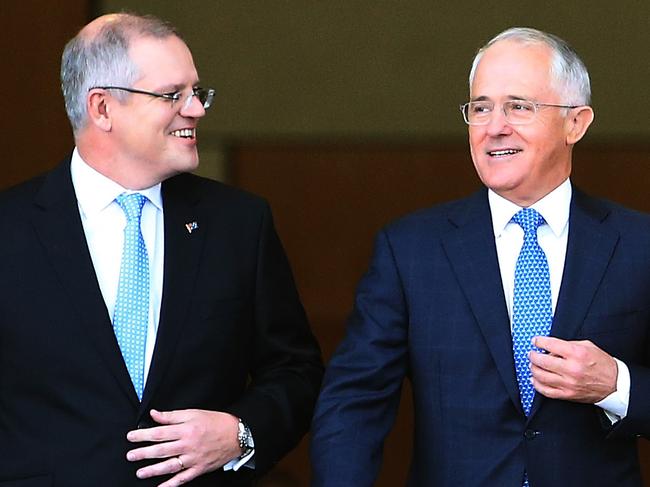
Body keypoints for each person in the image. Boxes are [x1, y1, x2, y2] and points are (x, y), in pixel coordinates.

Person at [310, 27, 650, 486]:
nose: (494, 127)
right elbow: (354, 403)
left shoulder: (637, 244)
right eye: (481, 107)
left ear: (577, 122)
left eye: (519, 107)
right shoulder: (411, 249)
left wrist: (616, 386)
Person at [0, 12, 323, 487]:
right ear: (103, 108)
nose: (196, 109)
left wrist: (241, 433)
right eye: (173, 95)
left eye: (196, 93)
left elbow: (296, 370)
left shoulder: (238, 223)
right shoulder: (10, 229)